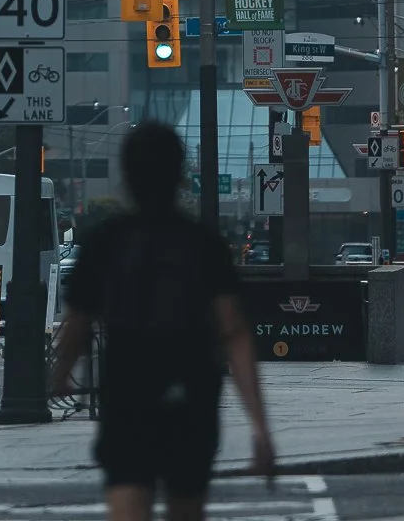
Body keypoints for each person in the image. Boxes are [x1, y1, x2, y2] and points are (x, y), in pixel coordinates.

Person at [51, 121, 274, 521]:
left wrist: (60, 375)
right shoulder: (203, 241)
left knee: (128, 501)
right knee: (186, 507)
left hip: (128, 398)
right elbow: (234, 332)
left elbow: (76, 324)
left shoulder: (104, 240)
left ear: (127, 176)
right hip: (191, 398)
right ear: (180, 177)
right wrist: (260, 425)